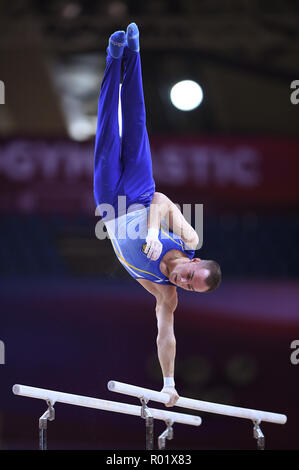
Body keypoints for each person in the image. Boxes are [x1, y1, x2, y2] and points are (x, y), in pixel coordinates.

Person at [94, 23, 221, 407]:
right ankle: (133, 52)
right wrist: (153, 234)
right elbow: (162, 200)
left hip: (110, 207)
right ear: (194, 262)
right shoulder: (189, 240)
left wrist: (168, 382)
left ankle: (112, 60)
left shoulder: (165, 293)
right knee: (133, 123)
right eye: (190, 276)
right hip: (139, 190)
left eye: (188, 288)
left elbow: (166, 335)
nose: (182, 282)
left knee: (107, 131)